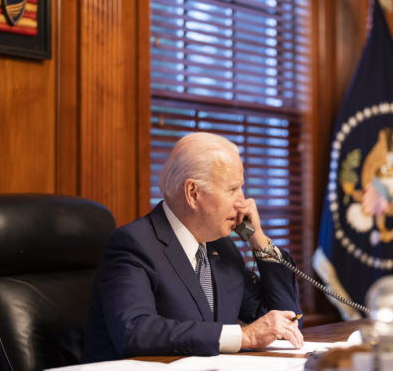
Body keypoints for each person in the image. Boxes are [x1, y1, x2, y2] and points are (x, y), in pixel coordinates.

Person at [82, 132, 304, 361]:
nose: (243, 202)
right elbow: (135, 331)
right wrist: (243, 336)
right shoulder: (134, 244)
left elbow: (285, 324)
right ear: (193, 193)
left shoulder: (222, 248)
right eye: (232, 189)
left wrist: (259, 240)